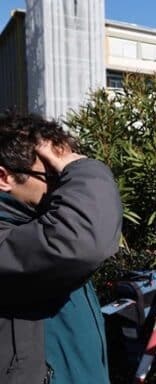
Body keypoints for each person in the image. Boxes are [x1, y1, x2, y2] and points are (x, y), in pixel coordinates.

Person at [0, 112, 122, 383]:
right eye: (54, 176)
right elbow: (82, 241)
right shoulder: (15, 239)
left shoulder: (36, 227)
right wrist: (85, 169)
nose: (62, 187)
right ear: (3, 177)